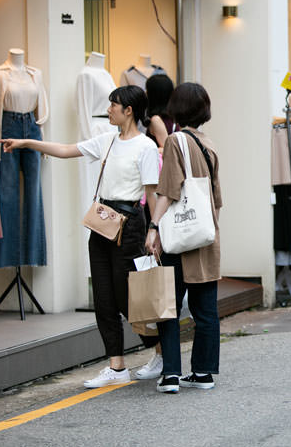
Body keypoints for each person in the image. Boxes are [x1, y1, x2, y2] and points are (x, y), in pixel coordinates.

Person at [0, 85, 160, 388]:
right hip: (102, 221)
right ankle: (116, 366)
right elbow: (65, 150)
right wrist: (26, 142)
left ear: (129, 110)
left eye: (114, 105)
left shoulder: (146, 147)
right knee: (102, 296)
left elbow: (151, 193)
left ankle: (159, 351)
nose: (109, 109)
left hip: (131, 224)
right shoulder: (107, 140)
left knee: (129, 298)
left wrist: (155, 230)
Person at [145, 82, 222, 394]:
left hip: (179, 237)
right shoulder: (208, 143)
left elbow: (168, 190)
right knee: (206, 311)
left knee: (168, 306)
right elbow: (217, 198)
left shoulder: (176, 140)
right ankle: (203, 372)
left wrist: (153, 227)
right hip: (205, 235)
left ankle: (171, 375)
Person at [132, 74, 176, 381]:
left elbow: (165, 151)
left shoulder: (158, 120)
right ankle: (160, 355)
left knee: (154, 275)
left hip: (156, 197)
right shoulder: (169, 116)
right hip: (160, 199)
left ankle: (161, 356)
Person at [144, 74, 177, 151]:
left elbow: (167, 149)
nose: (145, 93)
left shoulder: (156, 120)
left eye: (147, 90)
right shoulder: (174, 117)